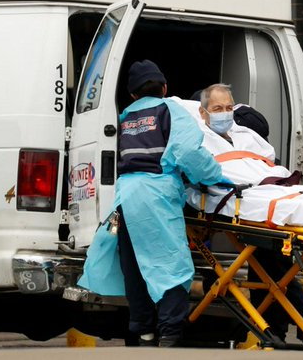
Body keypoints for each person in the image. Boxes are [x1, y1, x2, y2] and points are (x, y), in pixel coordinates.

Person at [78, 61, 224, 347]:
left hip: (125, 198)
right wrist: (214, 176)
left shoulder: (123, 117)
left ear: (133, 94)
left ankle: (143, 331)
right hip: (156, 196)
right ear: (165, 88)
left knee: (134, 265)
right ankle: (170, 332)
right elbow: (188, 152)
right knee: (170, 263)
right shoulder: (170, 110)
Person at [195, 83, 303, 344]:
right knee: (272, 258)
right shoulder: (197, 138)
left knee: (270, 257)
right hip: (244, 198)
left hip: (267, 193)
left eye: (229, 108)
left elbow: (269, 162)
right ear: (202, 112)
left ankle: (283, 329)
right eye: (217, 109)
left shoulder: (245, 134)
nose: (225, 113)